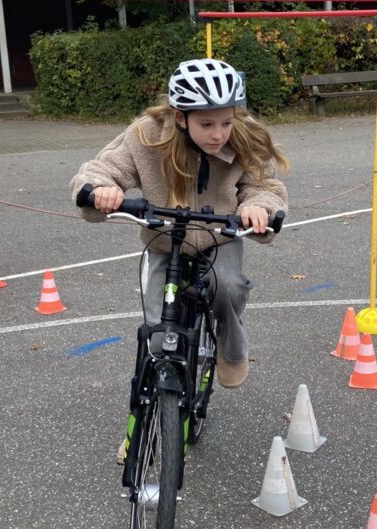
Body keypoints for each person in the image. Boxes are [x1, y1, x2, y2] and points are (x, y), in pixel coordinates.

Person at [71, 57, 289, 396]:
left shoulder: (243, 138)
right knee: (157, 337)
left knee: (229, 287)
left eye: (226, 122)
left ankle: (231, 351)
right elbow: (103, 169)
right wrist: (101, 189)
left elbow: (263, 186)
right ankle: (140, 428)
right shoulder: (146, 135)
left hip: (220, 237)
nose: (218, 134)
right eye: (206, 124)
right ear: (180, 118)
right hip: (162, 239)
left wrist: (258, 207)